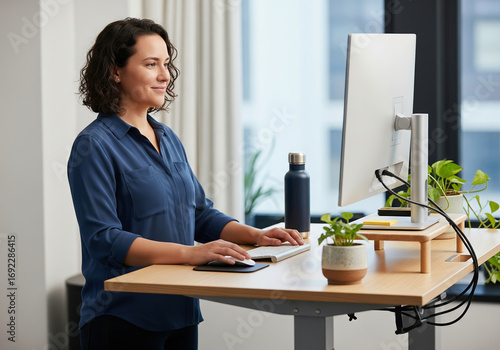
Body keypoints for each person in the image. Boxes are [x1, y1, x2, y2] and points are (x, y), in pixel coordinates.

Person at [67, 17, 304, 350]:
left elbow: (199, 215)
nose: (165, 75)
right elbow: (104, 240)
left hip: (180, 310)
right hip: (121, 318)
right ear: (115, 72)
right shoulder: (94, 145)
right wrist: (192, 254)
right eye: (151, 64)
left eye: (166, 64)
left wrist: (256, 235)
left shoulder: (167, 137)